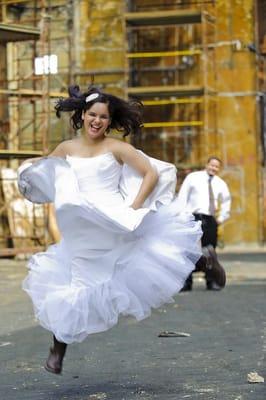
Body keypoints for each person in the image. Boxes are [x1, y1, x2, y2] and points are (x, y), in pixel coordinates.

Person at [17, 85, 224, 375]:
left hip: (115, 219)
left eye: (103, 117)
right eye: (92, 115)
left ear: (109, 121)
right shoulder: (65, 149)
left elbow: (150, 173)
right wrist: (28, 167)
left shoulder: (116, 148)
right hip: (82, 230)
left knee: (151, 259)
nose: (96, 121)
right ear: (82, 115)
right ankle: (58, 350)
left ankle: (204, 261)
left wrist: (136, 207)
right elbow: (45, 171)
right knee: (73, 285)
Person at [177, 156, 231, 291]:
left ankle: (211, 281)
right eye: (212, 165)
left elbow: (226, 201)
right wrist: (181, 216)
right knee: (188, 250)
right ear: (207, 165)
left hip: (210, 219)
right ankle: (186, 282)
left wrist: (221, 218)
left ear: (219, 169)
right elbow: (182, 196)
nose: (214, 168)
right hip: (192, 217)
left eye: (217, 166)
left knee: (210, 251)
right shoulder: (193, 178)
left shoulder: (220, 183)